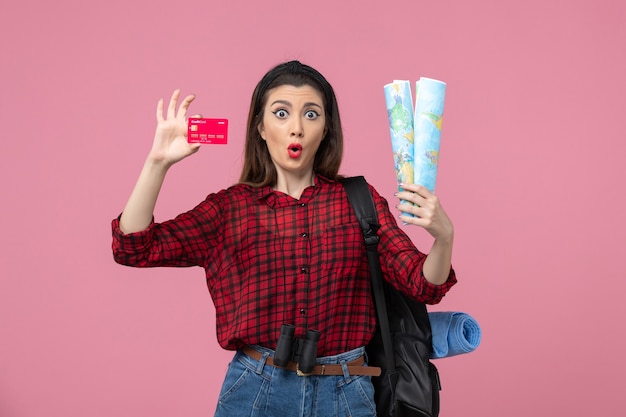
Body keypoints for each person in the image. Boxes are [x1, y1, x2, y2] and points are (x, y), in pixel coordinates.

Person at [112, 60, 456, 417]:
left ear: (326, 129)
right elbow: (134, 247)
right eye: (281, 113)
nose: (296, 128)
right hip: (256, 389)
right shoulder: (231, 208)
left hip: (346, 391)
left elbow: (422, 284)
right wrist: (157, 162)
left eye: (311, 114)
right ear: (260, 127)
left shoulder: (359, 201)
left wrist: (444, 237)